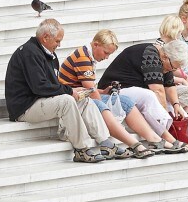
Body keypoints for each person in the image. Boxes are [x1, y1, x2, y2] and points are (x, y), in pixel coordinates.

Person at [4, 21, 114, 162]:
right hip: (25, 107)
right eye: (57, 41)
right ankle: (82, 149)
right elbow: (40, 87)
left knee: (84, 99)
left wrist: (73, 91)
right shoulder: (29, 53)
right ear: (45, 37)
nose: (59, 45)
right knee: (67, 100)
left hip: (40, 101)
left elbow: (53, 85)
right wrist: (69, 91)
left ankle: (105, 142)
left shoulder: (49, 54)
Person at [56, 28, 161, 157]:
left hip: (82, 96)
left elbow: (91, 89)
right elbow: (91, 91)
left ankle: (152, 137)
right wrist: (104, 107)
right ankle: (135, 145)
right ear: (96, 44)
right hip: (75, 100)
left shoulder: (86, 55)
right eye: (106, 53)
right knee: (100, 106)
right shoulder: (82, 58)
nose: (106, 57)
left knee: (126, 101)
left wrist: (103, 92)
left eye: (109, 55)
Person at [95, 37, 188, 151]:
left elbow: (169, 85)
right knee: (149, 96)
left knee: (168, 104)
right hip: (114, 90)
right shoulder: (150, 56)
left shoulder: (165, 59)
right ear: (165, 57)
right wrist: (164, 113)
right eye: (173, 67)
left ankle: (176, 136)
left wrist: (176, 104)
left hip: (133, 90)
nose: (172, 70)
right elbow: (158, 90)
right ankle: (169, 138)